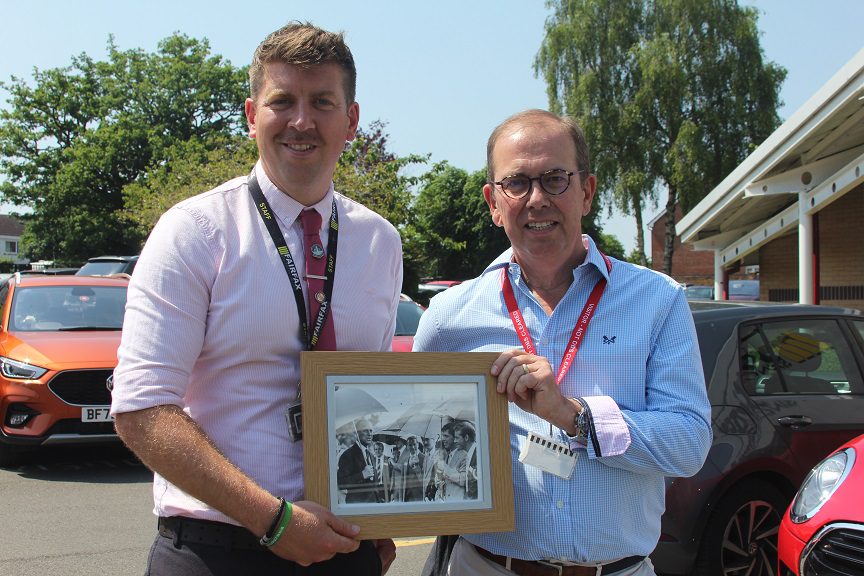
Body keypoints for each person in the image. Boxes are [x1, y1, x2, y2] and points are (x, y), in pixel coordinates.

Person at [110, 22, 401, 576]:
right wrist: (274, 519)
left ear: (351, 120)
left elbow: (367, 392)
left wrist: (386, 514)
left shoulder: (380, 242)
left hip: (343, 544)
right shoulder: (194, 231)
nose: (301, 121)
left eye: (322, 102)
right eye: (282, 101)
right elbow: (141, 409)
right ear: (251, 115)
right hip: (218, 546)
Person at [414, 109, 712, 575]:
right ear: (494, 202)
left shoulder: (658, 302)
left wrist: (574, 417)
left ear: (587, 191)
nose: (536, 199)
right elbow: (416, 441)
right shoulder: (448, 317)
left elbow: (690, 445)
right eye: (516, 183)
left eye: (555, 179)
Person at [337, 419, 378, 503]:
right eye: (365, 431)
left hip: (373, 504)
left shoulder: (371, 455)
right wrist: (362, 475)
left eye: (371, 430)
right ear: (357, 433)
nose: (370, 434)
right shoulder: (348, 455)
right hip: (357, 504)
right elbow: (341, 483)